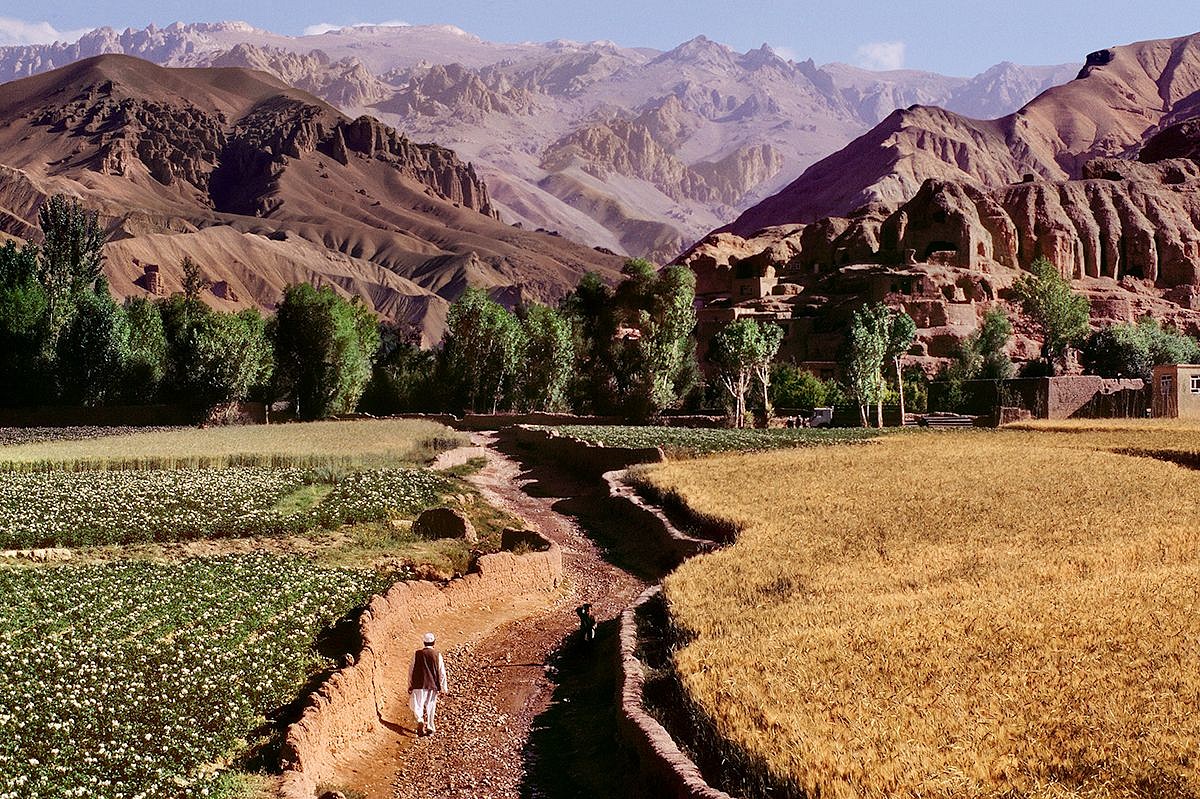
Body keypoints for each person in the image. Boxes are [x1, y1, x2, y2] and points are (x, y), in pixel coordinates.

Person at [408, 632, 449, 736]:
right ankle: (430, 726)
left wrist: (410, 684)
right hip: (432, 685)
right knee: (431, 706)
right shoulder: (437, 655)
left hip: (418, 684)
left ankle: (420, 719)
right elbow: (442, 672)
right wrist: (444, 688)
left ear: (424, 642)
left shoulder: (417, 654)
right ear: (434, 642)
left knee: (417, 704)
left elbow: (411, 670)